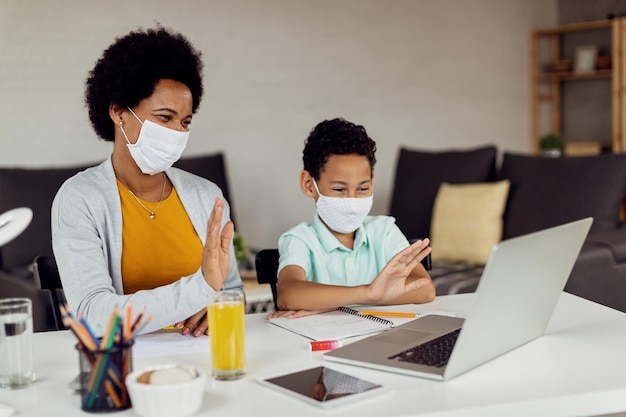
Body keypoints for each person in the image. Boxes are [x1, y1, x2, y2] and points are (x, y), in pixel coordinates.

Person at [51, 26, 242, 337]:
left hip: (202, 356)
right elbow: (92, 315)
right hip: (126, 365)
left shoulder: (207, 196)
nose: (178, 132)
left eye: (185, 122)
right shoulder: (80, 198)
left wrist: (219, 304)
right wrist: (200, 289)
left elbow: (232, 291)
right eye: (164, 118)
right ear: (118, 112)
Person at [269, 118, 435, 318]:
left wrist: (329, 303)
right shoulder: (300, 239)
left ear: (372, 181)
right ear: (308, 184)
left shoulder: (384, 230)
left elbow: (424, 289)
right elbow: (288, 294)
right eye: (339, 189)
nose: (352, 200)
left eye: (363, 188)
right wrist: (368, 293)